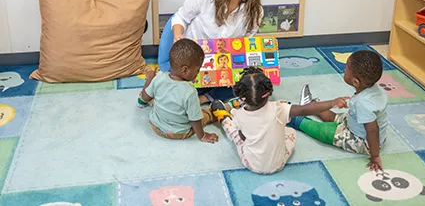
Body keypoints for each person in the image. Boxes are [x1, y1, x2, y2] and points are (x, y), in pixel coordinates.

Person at [157, 0, 264, 105]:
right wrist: (177, 35)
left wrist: (236, 71)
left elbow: (246, 45)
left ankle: (205, 98)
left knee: (255, 82)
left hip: (223, 65)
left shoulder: (255, 12)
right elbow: (180, 17)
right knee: (167, 90)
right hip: (192, 61)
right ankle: (203, 93)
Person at [210, 67, 349, 174]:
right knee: (291, 132)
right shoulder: (279, 109)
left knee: (234, 133)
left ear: (241, 96)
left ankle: (222, 117)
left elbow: (241, 137)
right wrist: (332, 103)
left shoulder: (239, 115)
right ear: (269, 93)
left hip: (251, 164)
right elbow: (304, 109)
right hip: (278, 165)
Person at [288, 50, 388, 172]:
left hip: (362, 141)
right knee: (335, 117)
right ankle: (310, 105)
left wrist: (375, 155)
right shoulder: (373, 89)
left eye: (346, 68)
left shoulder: (364, 104)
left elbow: (372, 130)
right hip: (357, 123)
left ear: (355, 82)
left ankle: (297, 120)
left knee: (325, 131)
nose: (344, 70)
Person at [138, 38, 219, 143]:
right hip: (179, 132)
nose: (198, 73)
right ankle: (226, 107)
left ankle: (141, 102)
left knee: (155, 97)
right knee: (205, 113)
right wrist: (202, 136)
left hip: (156, 126)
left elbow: (146, 97)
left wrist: (149, 79)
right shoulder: (190, 92)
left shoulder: (159, 77)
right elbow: (195, 119)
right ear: (184, 70)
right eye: (197, 70)